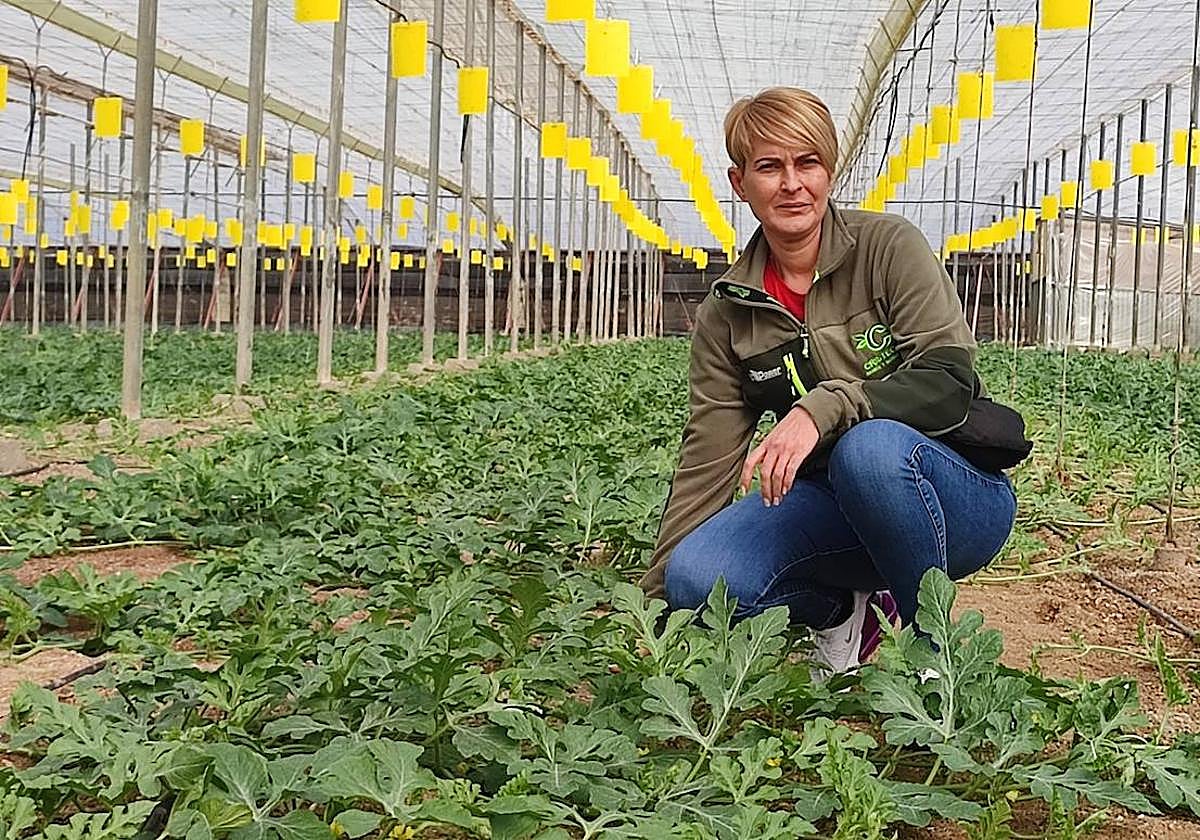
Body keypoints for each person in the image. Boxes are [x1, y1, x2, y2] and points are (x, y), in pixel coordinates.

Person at [639, 87, 1017, 675]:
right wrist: (657, 604)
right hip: (834, 514)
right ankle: (843, 612)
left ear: (829, 171)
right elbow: (707, 457)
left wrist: (824, 407)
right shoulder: (729, 311)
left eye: (807, 163)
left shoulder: (888, 247)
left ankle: (932, 655)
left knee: (869, 450)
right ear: (740, 183)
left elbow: (948, 381)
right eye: (770, 167)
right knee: (698, 580)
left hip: (950, 500)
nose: (792, 184)